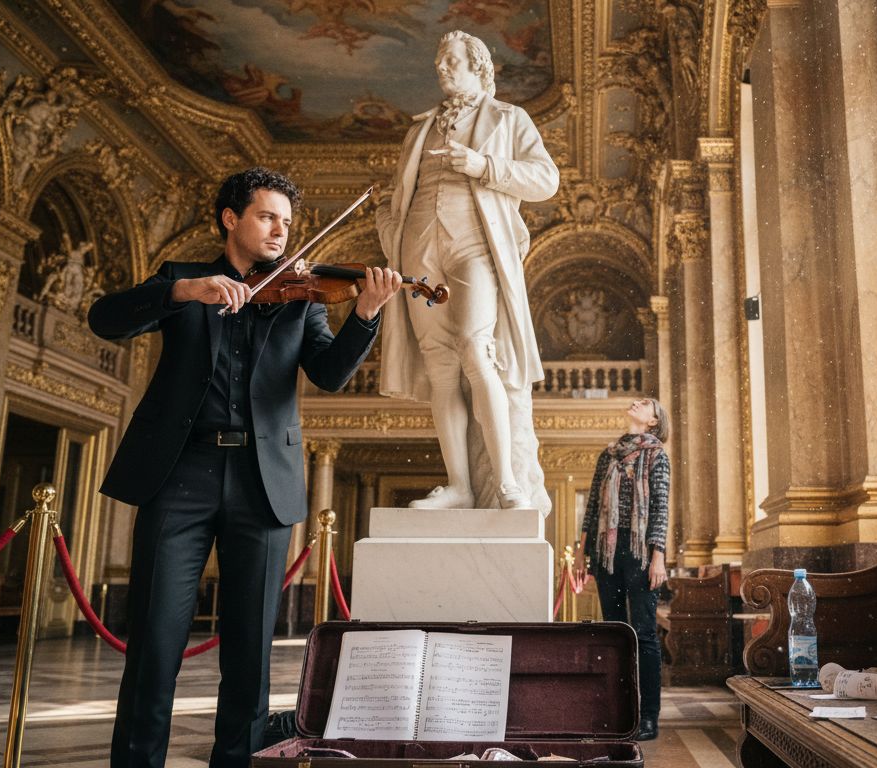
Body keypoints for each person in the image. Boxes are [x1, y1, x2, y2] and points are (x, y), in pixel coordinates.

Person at [87, 167, 402, 768]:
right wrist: (184, 292)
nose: (281, 231)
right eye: (267, 217)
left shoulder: (300, 296)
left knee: (250, 655)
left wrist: (365, 314)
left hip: (263, 482)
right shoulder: (183, 279)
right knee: (154, 644)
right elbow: (106, 319)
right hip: (179, 475)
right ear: (231, 219)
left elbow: (330, 375)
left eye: (287, 221)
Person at [375, 30, 559, 511]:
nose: (441, 67)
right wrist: (389, 224)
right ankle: (459, 485)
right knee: (440, 363)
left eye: (451, 60)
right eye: (439, 60)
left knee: (477, 350)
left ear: (479, 67)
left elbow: (546, 179)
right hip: (419, 246)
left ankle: (507, 483)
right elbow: (399, 192)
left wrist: (483, 165)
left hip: (474, 241)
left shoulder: (509, 118)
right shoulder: (419, 129)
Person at [572, 398, 671, 741]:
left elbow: (660, 508)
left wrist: (658, 557)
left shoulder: (657, 455)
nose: (636, 403)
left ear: (654, 420)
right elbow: (591, 507)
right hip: (607, 550)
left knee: (644, 633)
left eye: (645, 404)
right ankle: (617, 711)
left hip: (640, 550)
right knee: (614, 631)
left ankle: (648, 717)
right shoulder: (609, 454)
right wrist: (581, 554)